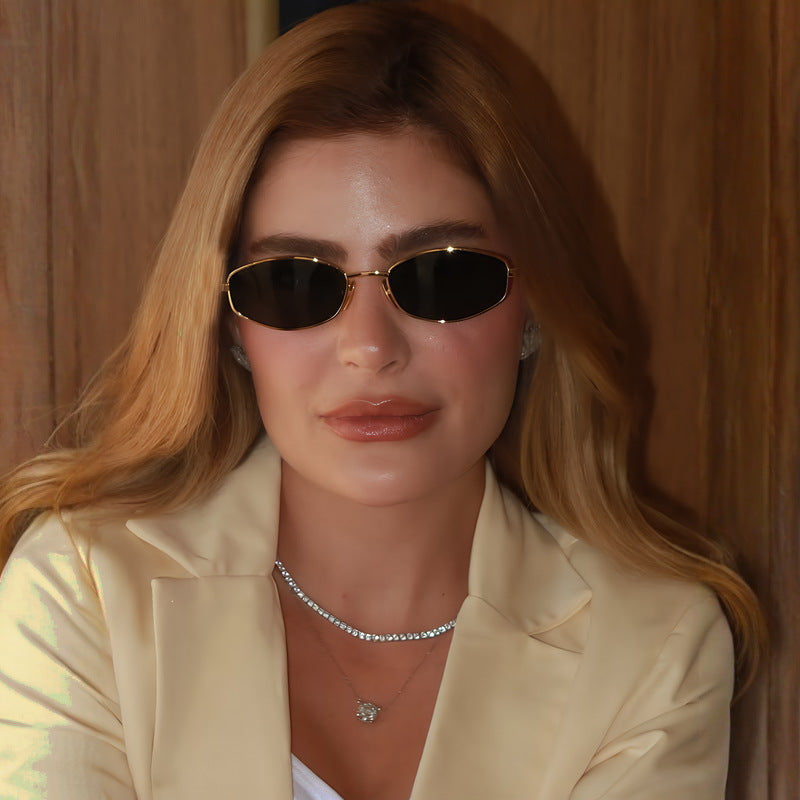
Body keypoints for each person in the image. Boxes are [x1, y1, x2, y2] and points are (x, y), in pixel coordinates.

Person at [0, 3, 764, 799]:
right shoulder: (81, 593)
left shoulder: (653, 645)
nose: (369, 347)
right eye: (295, 282)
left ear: (535, 306)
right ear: (230, 325)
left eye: (441, 275)